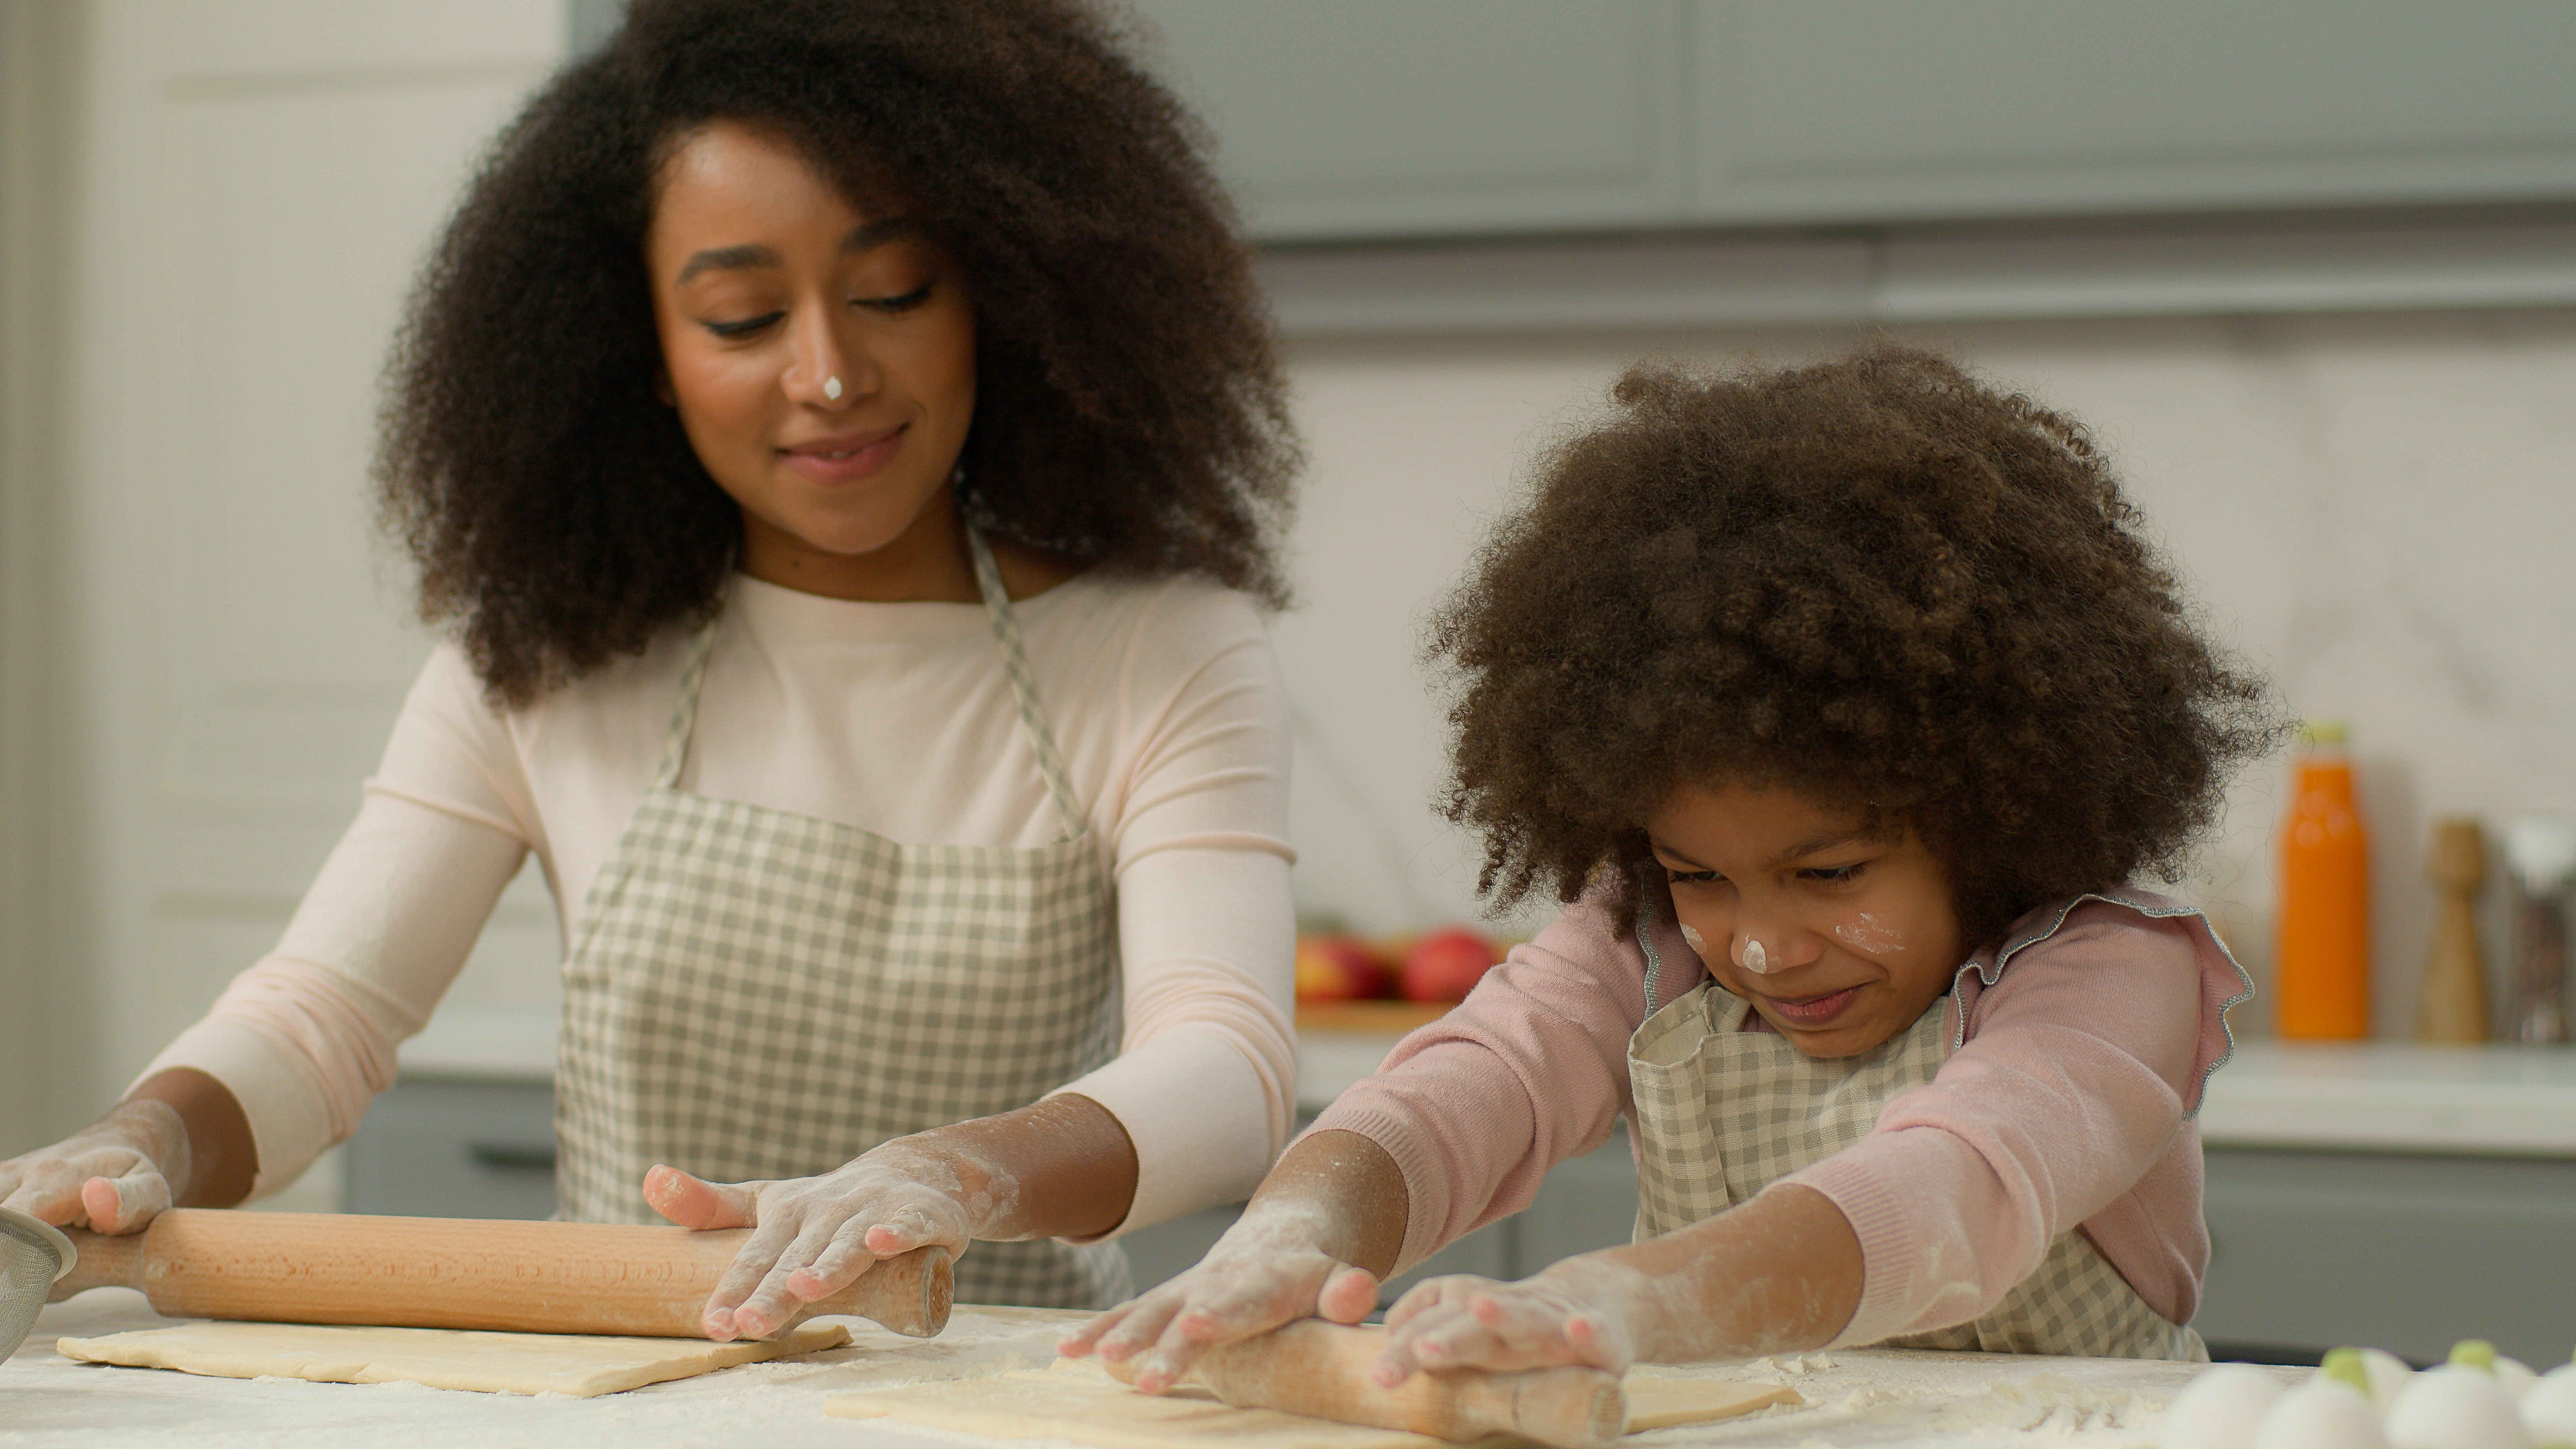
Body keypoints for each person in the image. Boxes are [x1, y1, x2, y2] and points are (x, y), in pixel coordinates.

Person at [0, 0, 1303, 1331]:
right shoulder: (549, 654)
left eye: (894, 293)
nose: (830, 375)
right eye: (741, 317)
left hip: (1005, 1398)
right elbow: (322, 1013)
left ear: (1000, 299)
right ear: (649, 358)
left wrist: (963, 1174)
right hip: (628, 1392)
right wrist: (144, 1139)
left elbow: (1228, 1071)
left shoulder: (1162, 647)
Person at [1065, 345, 2282, 1387]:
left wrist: (1631, 1303)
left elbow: (1957, 1186)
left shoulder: (2112, 971)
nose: (1760, 945)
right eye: (1701, 876)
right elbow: (1468, 1087)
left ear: (1987, 814)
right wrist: (1298, 1228)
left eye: (1830, 875)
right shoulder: (1643, 946)